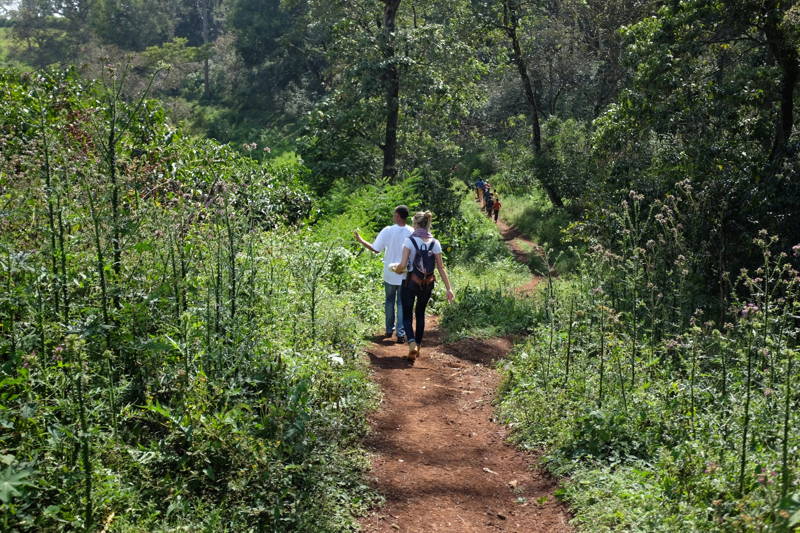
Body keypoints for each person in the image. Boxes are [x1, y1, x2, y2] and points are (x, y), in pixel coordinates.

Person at [391, 211, 454, 363]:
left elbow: (403, 264)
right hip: (428, 283)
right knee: (420, 313)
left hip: (410, 282)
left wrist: (396, 269)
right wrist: (449, 288)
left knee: (407, 314)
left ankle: (411, 343)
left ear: (415, 224)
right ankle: (418, 346)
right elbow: (440, 267)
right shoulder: (435, 243)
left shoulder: (409, 241)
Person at [354, 205, 413, 343]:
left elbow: (375, 249)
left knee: (389, 300)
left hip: (389, 273)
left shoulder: (388, 230)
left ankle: (388, 329)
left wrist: (361, 240)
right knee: (401, 303)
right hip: (404, 274)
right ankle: (400, 333)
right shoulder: (412, 231)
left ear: (398, 216)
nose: (393, 216)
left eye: (394, 214)